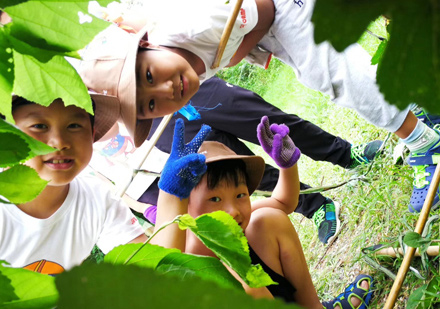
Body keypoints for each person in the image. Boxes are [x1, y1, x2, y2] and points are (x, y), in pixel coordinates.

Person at [73, 0, 439, 213]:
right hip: (268, 27)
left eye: (151, 74)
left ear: (149, 45)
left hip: (274, 9)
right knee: (324, 73)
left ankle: (424, 142)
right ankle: (426, 103)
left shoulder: (190, 25)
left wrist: (237, 54)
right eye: (153, 103)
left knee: (332, 72)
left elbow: (261, 9)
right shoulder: (179, 56)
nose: (168, 88)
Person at [149, 117, 374, 307]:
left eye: (240, 195)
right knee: (236, 279)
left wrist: (287, 165)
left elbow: (283, 203)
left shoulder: (236, 223)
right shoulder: (189, 253)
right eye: (214, 199)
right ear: (186, 205)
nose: (233, 210)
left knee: (269, 219)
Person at [132, 76, 383, 245]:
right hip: (148, 122)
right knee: (235, 169)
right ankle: (315, 205)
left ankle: (347, 154)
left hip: (179, 85)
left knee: (272, 125)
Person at [0, 95, 148, 274]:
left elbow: (148, 271)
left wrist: (172, 196)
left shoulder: (98, 199)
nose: (59, 142)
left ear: (92, 135)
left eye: (74, 126)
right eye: (39, 126)